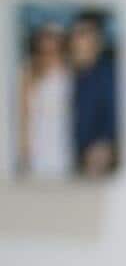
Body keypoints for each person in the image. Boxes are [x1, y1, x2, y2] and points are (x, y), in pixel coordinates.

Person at [17, 22, 73, 180]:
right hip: (37, 137)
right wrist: (24, 145)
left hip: (62, 137)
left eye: (53, 38)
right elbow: (24, 112)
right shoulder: (28, 70)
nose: (49, 44)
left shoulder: (69, 70)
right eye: (45, 38)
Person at [68, 10, 118, 178]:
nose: (75, 41)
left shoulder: (108, 77)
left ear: (98, 40)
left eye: (82, 34)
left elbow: (109, 135)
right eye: (73, 34)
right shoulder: (69, 75)